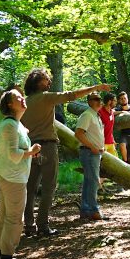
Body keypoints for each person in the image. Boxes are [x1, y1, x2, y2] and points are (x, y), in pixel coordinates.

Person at [21, 69, 111, 235]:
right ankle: (43, 226)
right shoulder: (46, 97)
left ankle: (28, 225)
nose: (49, 83)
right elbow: (72, 95)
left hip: (29, 148)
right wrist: (96, 87)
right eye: (46, 80)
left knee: (30, 186)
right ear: (37, 82)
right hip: (47, 146)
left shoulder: (25, 103)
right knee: (49, 186)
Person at [0, 88, 42, 259]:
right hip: (12, 177)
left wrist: (28, 154)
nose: (22, 99)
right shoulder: (10, 125)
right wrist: (32, 151)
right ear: (9, 105)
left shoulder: (15, 125)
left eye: (22, 96)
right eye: (17, 98)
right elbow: (14, 155)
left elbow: (13, 151)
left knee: (3, 215)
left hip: (9, 175)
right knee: (14, 218)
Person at [74, 93, 107, 221]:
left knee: (89, 181)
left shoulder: (96, 116)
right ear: (89, 102)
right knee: (93, 181)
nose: (99, 102)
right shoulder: (87, 115)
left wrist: (100, 146)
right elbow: (79, 133)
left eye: (100, 99)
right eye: (95, 100)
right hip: (89, 152)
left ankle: (85, 210)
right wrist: (92, 147)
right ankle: (94, 210)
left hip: (95, 153)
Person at [98, 91, 118, 159]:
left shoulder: (111, 111)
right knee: (103, 164)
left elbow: (110, 127)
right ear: (109, 101)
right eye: (114, 101)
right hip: (102, 143)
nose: (116, 102)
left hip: (111, 142)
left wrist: (113, 140)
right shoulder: (99, 112)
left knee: (116, 162)